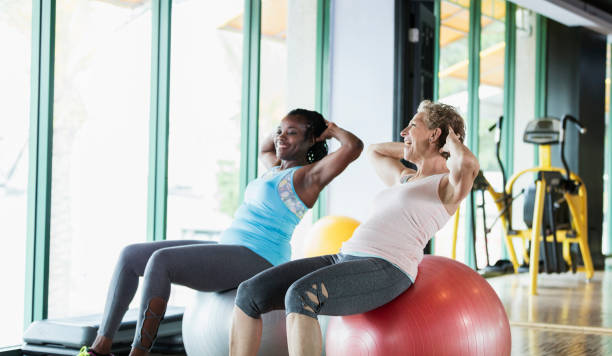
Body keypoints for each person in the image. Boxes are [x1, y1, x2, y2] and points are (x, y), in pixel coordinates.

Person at [76, 109, 363, 356]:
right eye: (280, 131)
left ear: (312, 139)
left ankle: (138, 353)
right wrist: (283, 129)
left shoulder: (306, 177)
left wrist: (331, 129)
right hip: (231, 247)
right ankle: (100, 348)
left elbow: (353, 147)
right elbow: (265, 148)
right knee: (131, 256)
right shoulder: (275, 168)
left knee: (161, 262)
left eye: (292, 133)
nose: (281, 137)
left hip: (259, 258)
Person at [229, 100, 479, 356]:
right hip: (344, 257)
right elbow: (374, 151)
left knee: (301, 296)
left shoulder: (446, 187)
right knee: (250, 292)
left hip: (387, 267)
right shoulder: (404, 178)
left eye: (412, 126)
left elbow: (469, 164)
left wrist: (444, 144)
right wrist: (418, 147)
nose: (404, 133)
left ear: (437, 134)